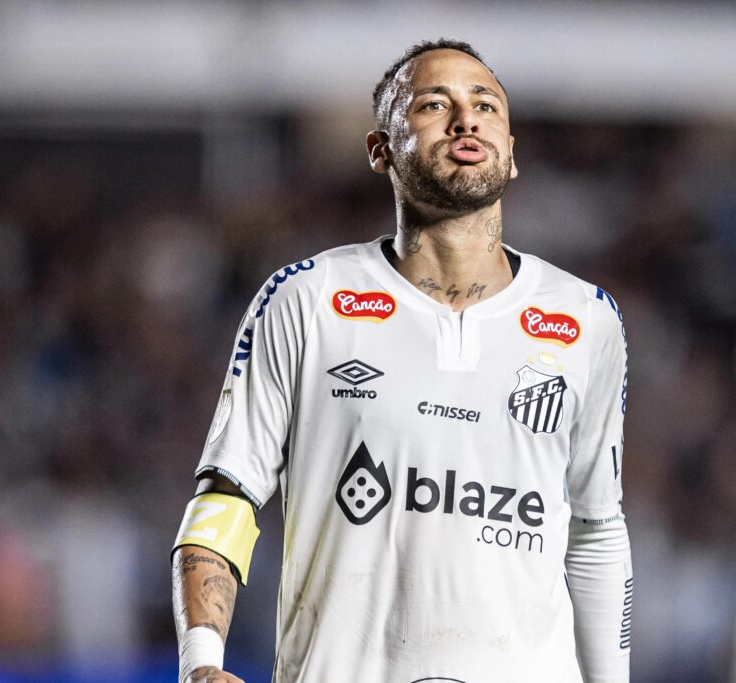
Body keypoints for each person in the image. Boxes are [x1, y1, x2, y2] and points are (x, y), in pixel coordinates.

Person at [172, 39, 632, 683]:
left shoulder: (586, 319)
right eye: (433, 104)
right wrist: (202, 663)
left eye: (486, 105)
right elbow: (228, 495)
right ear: (380, 150)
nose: (465, 119)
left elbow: (596, 532)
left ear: (512, 154)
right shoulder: (307, 299)